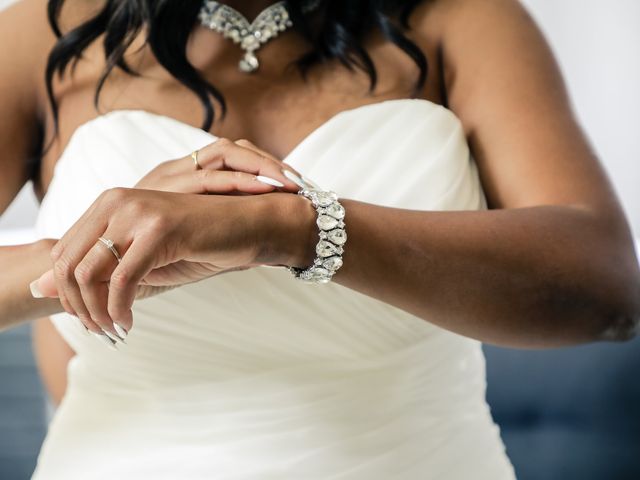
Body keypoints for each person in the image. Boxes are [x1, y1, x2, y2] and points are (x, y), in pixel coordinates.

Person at [1, 0, 638, 478]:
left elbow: (607, 288)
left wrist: (292, 229)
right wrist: (91, 249)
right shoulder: (43, 34)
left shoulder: (461, 18)